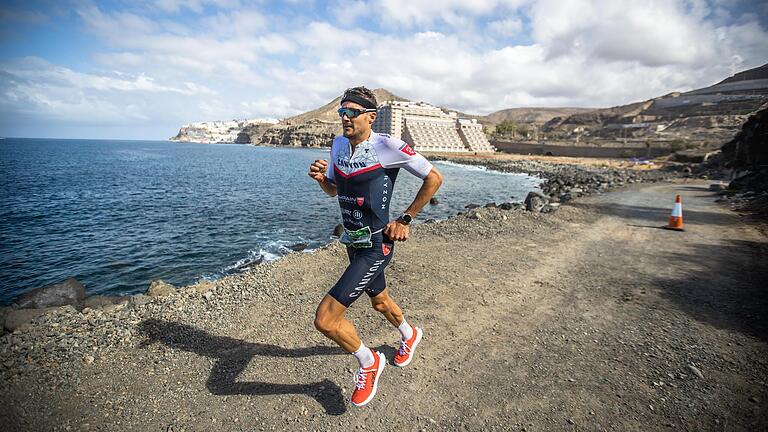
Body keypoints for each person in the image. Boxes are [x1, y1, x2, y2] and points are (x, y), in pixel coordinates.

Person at [308, 86, 443, 407]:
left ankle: (369, 362)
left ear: (371, 116)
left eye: (353, 112)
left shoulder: (388, 146)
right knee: (380, 302)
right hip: (352, 241)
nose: (346, 117)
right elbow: (333, 191)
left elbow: (434, 178)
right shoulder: (338, 144)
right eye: (342, 111)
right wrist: (321, 181)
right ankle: (410, 334)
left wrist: (405, 219)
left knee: (325, 320)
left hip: (376, 244)